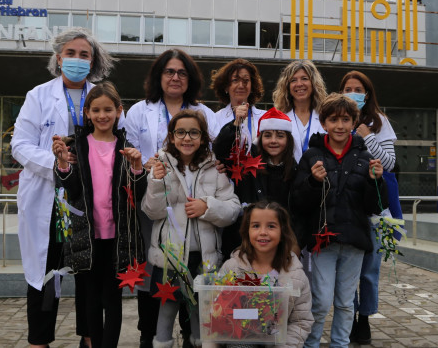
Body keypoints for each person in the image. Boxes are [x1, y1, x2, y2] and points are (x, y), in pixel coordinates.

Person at [12, 27, 115, 348]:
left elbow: (117, 141)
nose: (77, 60)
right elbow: (20, 145)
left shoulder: (103, 96)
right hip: (48, 198)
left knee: (88, 275)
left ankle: (89, 337)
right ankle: (39, 340)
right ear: (59, 58)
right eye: (71, 53)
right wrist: (57, 162)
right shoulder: (38, 96)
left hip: (89, 201)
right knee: (46, 271)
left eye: (84, 55)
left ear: (93, 61)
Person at [123, 48, 218, 347]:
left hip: (191, 207)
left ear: (190, 79)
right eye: (169, 72)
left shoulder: (205, 113)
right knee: (154, 272)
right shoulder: (139, 110)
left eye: (182, 73)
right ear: (158, 76)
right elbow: (128, 153)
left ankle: (191, 336)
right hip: (153, 200)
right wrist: (142, 164)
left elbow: (211, 156)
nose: (175, 77)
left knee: (189, 270)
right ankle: (148, 334)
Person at [52, 82, 147, 348]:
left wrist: (138, 167)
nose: (102, 115)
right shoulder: (77, 146)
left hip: (117, 238)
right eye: (96, 110)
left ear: (119, 111)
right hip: (87, 236)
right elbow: (68, 188)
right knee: (91, 299)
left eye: (108, 110)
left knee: (112, 300)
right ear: (87, 113)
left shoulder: (127, 147)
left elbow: (138, 194)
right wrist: (61, 163)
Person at [291, 93, 386, 348]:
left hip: (354, 240)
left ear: (354, 121)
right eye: (333, 119)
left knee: (345, 302)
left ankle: (340, 344)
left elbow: (375, 206)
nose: (340, 126)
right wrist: (313, 181)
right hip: (324, 242)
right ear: (323, 123)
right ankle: (311, 344)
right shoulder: (312, 155)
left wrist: (376, 181)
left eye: (345, 119)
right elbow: (298, 201)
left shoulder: (365, 157)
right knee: (320, 301)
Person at [141, 110, 241, 348]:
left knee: (200, 311)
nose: (187, 138)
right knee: (166, 311)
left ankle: (198, 343)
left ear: (204, 137)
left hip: (203, 259)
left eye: (194, 132)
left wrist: (208, 206)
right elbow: (152, 212)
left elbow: (233, 209)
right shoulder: (160, 166)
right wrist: (155, 182)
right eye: (181, 132)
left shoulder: (215, 169)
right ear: (172, 136)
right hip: (170, 260)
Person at [340, 70, 402, 345]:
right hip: (346, 206)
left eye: (358, 89)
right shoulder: (337, 119)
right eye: (348, 88)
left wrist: (367, 136)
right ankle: (349, 316)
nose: (353, 93)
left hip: (374, 208)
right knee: (347, 270)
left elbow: (389, 163)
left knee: (369, 269)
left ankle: (364, 318)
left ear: (367, 94)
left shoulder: (379, 122)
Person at [218, 201, 314, 348]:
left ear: (282, 232)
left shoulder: (296, 276)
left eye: (271, 226)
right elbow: (217, 314)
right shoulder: (231, 268)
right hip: (239, 341)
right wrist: (252, 315)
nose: (263, 232)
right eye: (256, 226)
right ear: (247, 231)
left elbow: (301, 322)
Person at [213, 107, 297, 259]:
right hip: (242, 244)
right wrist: (235, 125)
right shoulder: (245, 163)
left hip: (277, 247)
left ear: (288, 140)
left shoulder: (295, 170)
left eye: (280, 136)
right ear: (260, 138)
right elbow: (220, 149)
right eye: (268, 135)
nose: (273, 141)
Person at [272, 60, 328, 162]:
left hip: (318, 175)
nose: (299, 84)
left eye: (304, 79)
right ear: (287, 86)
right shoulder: (278, 118)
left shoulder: (326, 116)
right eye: (293, 80)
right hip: (287, 176)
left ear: (313, 83)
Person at [211, 58, 266, 141]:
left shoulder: (265, 117)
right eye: (235, 80)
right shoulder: (215, 119)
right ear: (226, 87)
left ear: (252, 86)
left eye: (246, 80)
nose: (241, 85)